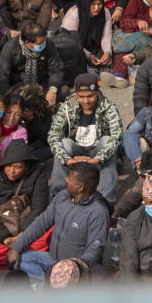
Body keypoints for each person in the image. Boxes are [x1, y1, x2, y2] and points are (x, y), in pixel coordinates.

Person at [7, 162, 110, 286]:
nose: (66, 179)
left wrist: (71, 269)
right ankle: (47, 286)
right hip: (51, 259)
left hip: (73, 270)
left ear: (80, 187)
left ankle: (51, 288)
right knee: (18, 258)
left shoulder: (98, 212)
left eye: (70, 178)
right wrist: (17, 246)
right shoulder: (62, 197)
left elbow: (94, 249)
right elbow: (41, 223)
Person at [47, 73, 122, 204]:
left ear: (97, 93)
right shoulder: (67, 106)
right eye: (81, 97)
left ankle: (105, 200)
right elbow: (53, 135)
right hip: (75, 154)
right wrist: (66, 159)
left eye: (90, 96)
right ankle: (58, 197)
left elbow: (117, 135)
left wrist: (99, 158)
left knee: (106, 141)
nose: (86, 101)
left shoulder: (108, 106)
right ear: (76, 94)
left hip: (98, 154)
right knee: (64, 143)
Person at [0, 141, 50, 269]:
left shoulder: (38, 174)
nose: (11, 171)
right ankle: (23, 257)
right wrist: (5, 238)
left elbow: (38, 208)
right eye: (8, 166)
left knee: (43, 240)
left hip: (26, 225)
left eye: (17, 167)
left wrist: (22, 236)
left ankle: (17, 255)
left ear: (26, 166)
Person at [0, 22, 65, 105]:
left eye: (44, 41)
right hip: (18, 86)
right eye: (40, 43)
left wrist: (53, 89)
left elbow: (56, 68)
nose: (44, 44)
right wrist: (10, 98)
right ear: (27, 43)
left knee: (63, 91)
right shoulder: (10, 47)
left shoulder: (48, 44)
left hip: (41, 84)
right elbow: (2, 75)